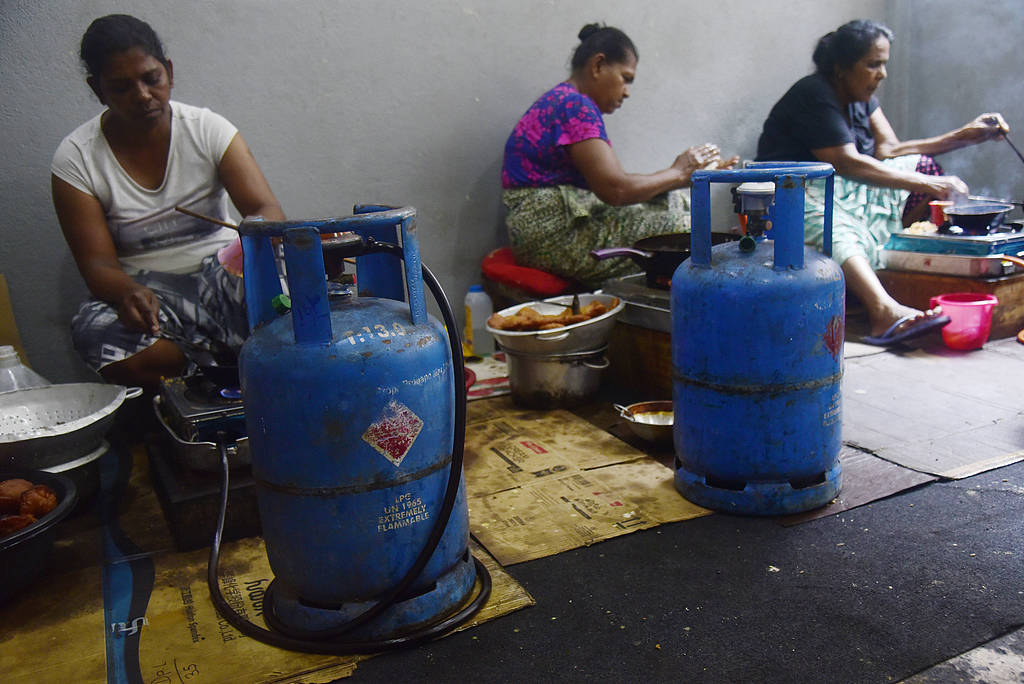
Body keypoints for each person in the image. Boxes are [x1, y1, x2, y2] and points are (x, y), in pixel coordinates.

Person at [51, 14, 285, 389]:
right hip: (149, 294)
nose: (143, 95)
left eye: (151, 78)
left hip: (222, 274)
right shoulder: (76, 158)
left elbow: (266, 211)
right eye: (122, 87)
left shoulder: (208, 130)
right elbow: (96, 264)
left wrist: (253, 239)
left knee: (284, 290)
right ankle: (210, 376)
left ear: (169, 72)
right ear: (98, 90)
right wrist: (127, 291)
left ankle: (233, 369)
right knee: (96, 334)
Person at [756, 19, 1009, 345]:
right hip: (792, 191)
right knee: (835, 226)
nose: (883, 74)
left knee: (925, 167)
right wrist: (931, 185)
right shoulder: (813, 93)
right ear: (841, 68)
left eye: (884, 64)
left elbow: (889, 150)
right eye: (873, 64)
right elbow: (845, 161)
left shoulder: (861, 96)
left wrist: (966, 137)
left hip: (842, 185)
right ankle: (882, 309)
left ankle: (890, 274)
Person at [501, 23, 738, 288]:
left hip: (547, 229)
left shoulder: (564, 101)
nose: (626, 92)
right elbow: (616, 190)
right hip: (552, 237)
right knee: (684, 227)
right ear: (598, 65)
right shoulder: (574, 106)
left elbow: (616, 184)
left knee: (673, 202)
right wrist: (678, 172)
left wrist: (687, 178)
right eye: (625, 78)